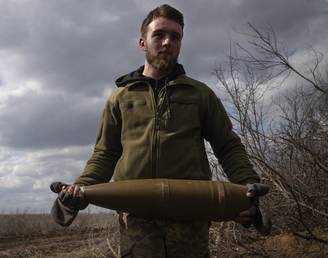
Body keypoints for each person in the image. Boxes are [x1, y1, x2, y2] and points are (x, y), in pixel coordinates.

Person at [61, 4, 261, 258]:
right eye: (159, 35)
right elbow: (105, 153)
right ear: (143, 42)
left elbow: (227, 145)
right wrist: (81, 188)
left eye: (175, 36)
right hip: (136, 219)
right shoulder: (120, 98)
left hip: (189, 216)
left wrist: (246, 185)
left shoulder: (200, 95)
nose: (167, 42)